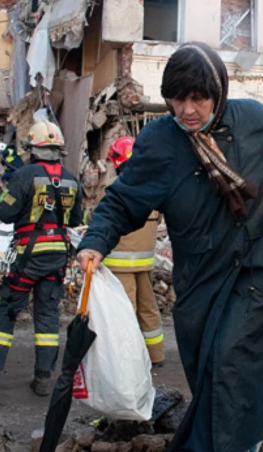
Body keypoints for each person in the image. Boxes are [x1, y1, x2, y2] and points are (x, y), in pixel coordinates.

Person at [75, 42, 263, 452]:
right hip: (198, 279)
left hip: (255, 269)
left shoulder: (250, 119)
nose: (187, 110)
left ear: (220, 92)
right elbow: (125, 199)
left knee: (233, 363)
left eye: (198, 98)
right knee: (208, 373)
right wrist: (95, 242)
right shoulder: (161, 141)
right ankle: (241, 442)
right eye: (177, 99)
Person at [0, 121, 82, 400]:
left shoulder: (24, 174)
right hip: (58, 258)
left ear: (32, 148)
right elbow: (75, 220)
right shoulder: (71, 178)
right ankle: (43, 380)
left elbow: (5, 213)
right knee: (48, 316)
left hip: (28, 256)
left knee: (5, 311)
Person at [100, 136, 165, 366]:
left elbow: (101, 222)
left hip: (119, 265)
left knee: (125, 313)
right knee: (148, 309)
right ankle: (156, 355)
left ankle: (128, 361)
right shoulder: (155, 192)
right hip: (145, 262)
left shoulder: (117, 191)